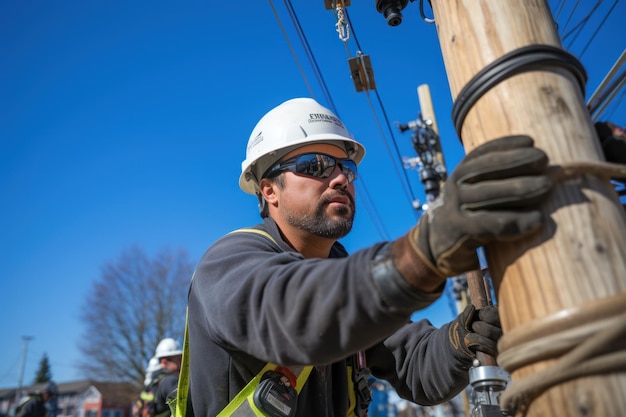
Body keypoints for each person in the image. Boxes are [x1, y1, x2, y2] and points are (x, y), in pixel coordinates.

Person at [186, 98, 553, 416]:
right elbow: (293, 312)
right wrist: (420, 254)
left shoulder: (345, 280)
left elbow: (416, 366)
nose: (341, 179)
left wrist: (463, 340)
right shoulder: (229, 262)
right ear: (269, 191)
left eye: (346, 168)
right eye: (315, 166)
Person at [144, 338, 183, 417]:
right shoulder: (170, 381)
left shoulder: (156, 381)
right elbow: (185, 406)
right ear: (164, 362)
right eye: (178, 358)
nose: (182, 361)